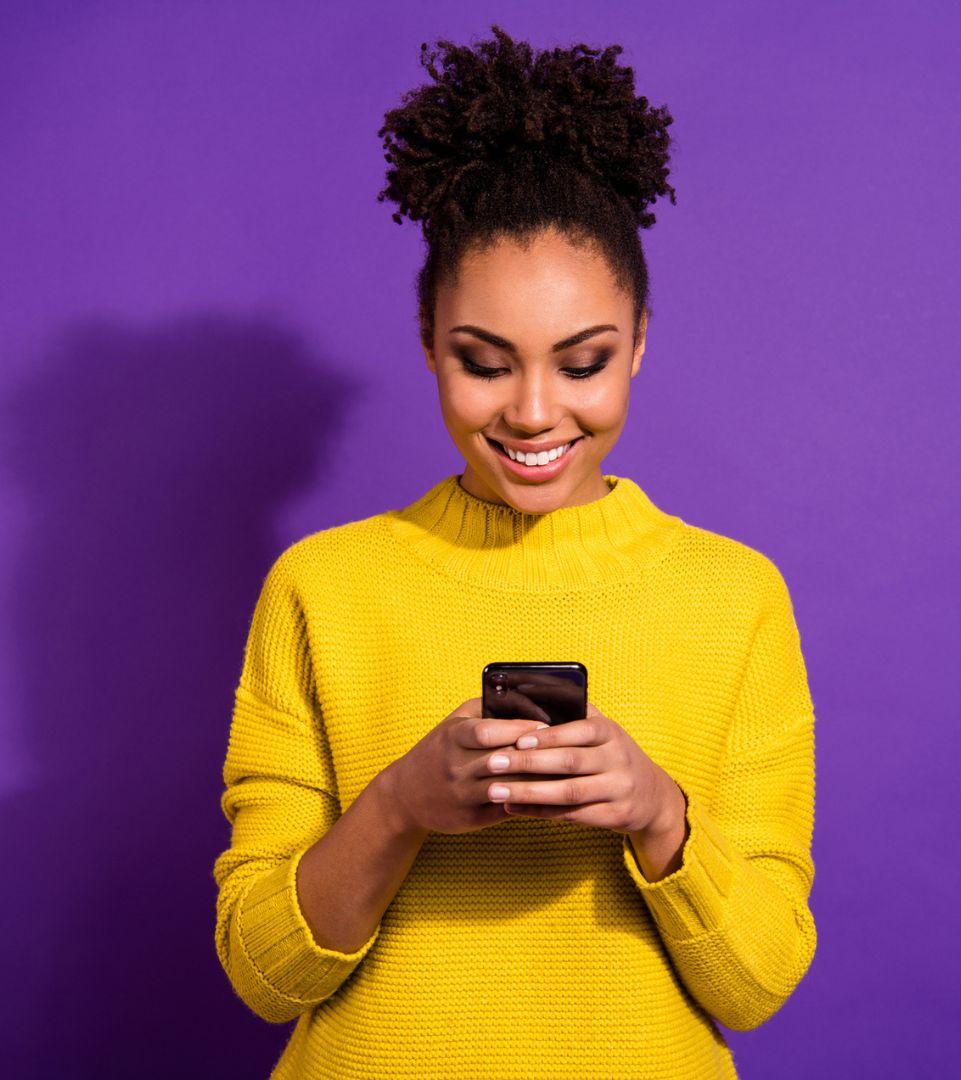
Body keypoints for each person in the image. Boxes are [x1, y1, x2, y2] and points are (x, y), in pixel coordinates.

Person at [212, 24, 817, 1080]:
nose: (534, 412)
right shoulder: (322, 586)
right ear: (427, 343)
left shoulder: (735, 596)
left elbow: (758, 984)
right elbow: (264, 975)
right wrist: (400, 804)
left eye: (582, 364)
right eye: (484, 363)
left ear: (639, 341)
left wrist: (658, 814)